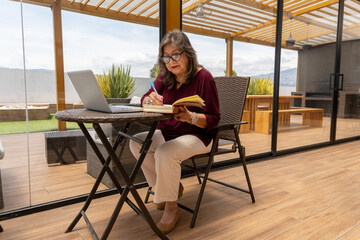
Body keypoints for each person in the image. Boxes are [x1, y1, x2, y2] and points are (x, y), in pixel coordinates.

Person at [129, 29, 220, 234]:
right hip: (170, 132)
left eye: (176, 54)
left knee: (165, 152)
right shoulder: (165, 77)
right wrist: (149, 99)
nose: (171, 60)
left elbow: (214, 119)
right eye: (167, 57)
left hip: (199, 135)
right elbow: (145, 96)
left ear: (188, 53)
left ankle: (171, 207)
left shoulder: (204, 77)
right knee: (136, 141)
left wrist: (191, 117)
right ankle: (166, 189)